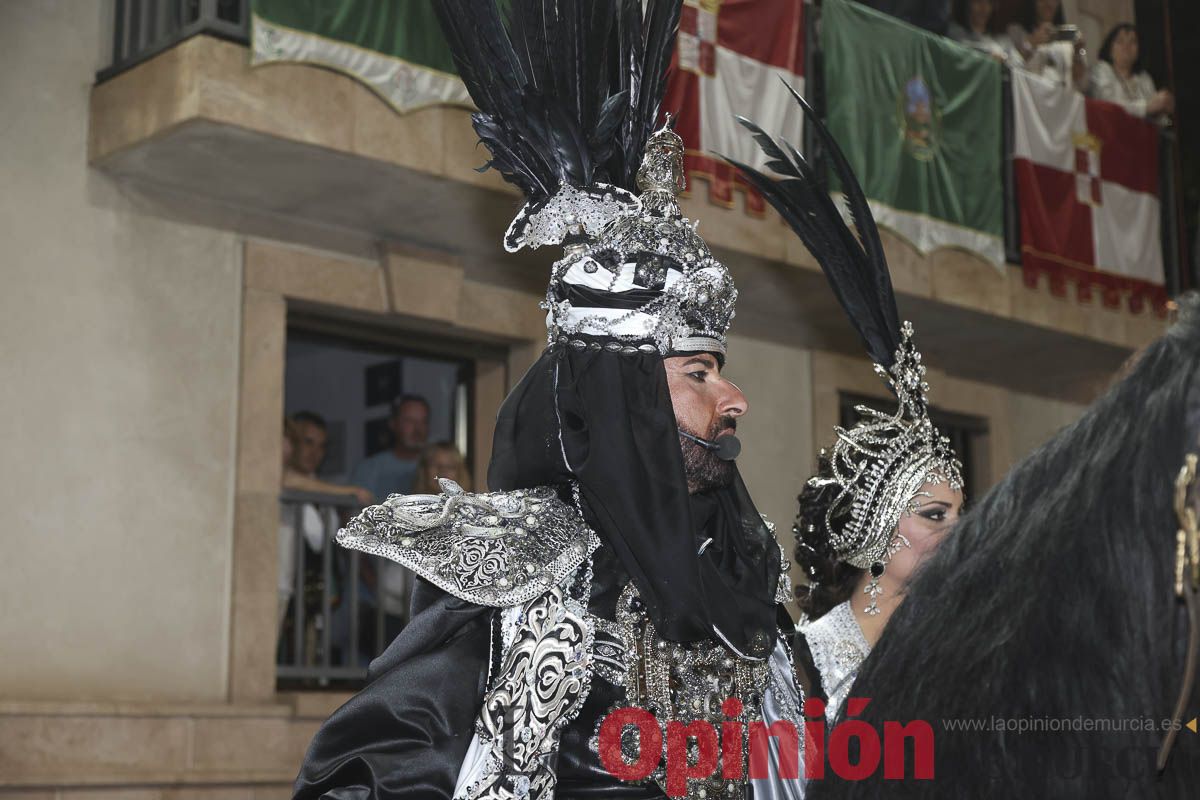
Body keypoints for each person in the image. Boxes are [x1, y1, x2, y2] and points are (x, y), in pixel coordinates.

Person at [292, 3, 803, 798]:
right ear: (621, 400)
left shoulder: (744, 570)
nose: (733, 399)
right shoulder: (525, 581)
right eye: (697, 373)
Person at [729, 91, 964, 727]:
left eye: (958, 515)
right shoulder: (801, 664)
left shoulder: (960, 653)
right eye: (935, 514)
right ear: (875, 530)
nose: (957, 533)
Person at [348, 393, 431, 502]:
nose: (418, 429)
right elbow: (351, 515)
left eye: (423, 421)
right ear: (393, 424)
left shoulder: (438, 467)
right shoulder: (369, 469)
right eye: (409, 421)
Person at [1090, 23, 1174, 122]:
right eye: (1120, 41)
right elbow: (1109, 106)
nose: (1126, 46)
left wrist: (1163, 109)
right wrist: (1146, 107)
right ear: (1109, 49)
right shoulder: (1101, 70)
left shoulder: (1144, 77)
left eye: (1133, 42)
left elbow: (1158, 119)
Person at [1007, 0, 1087, 91]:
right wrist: (1031, 43)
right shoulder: (1017, 32)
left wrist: (1078, 54)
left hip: (1060, 97)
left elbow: (1082, 83)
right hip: (1030, 95)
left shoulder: (1067, 41)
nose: (1049, 4)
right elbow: (1010, 67)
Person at [947, 0, 1011, 63]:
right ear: (967, 4)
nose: (984, 8)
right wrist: (989, 55)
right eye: (978, 1)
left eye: (989, 2)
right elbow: (960, 50)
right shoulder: (954, 31)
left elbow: (1016, 65)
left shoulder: (1003, 41)